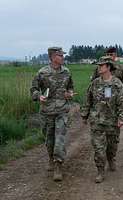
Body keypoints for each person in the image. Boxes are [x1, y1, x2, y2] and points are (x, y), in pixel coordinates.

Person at [81, 56, 123, 183]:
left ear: (108, 67)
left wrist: (122, 117)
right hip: (97, 121)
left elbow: (122, 102)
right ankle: (100, 171)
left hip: (112, 122)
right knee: (98, 148)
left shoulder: (117, 83)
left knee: (112, 146)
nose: (99, 68)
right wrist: (84, 115)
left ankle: (111, 158)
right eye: (98, 65)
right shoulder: (95, 83)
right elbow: (88, 100)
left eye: (101, 66)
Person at [30, 47, 75, 181]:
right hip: (47, 112)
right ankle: (51, 158)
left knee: (59, 139)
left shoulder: (67, 72)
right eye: (60, 55)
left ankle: (58, 166)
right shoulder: (42, 73)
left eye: (62, 55)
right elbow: (33, 89)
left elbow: (71, 87)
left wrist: (70, 93)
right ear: (52, 57)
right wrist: (38, 96)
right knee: (49, 140)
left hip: (62, 110)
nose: (62, 57)